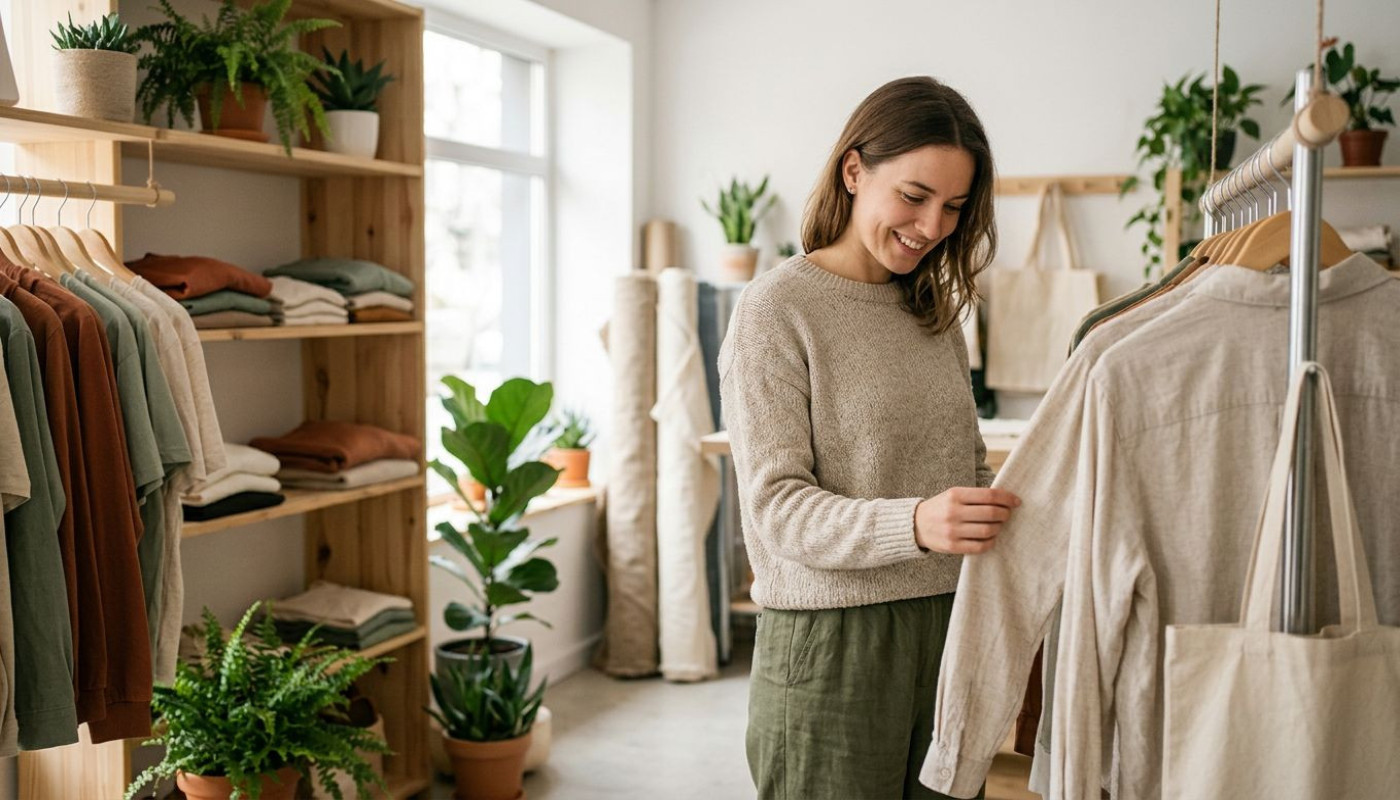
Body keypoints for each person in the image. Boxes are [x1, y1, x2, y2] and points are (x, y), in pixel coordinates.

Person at [718, 76, 1021, 799]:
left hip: (948, 632)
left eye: (953, 207)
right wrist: (916, 523)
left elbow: (964, 464)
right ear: (854, 172)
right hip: (831, 648)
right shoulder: (776, 310)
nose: (933, 225)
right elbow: (778, 509)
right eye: (914, 197)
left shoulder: (934, 313)